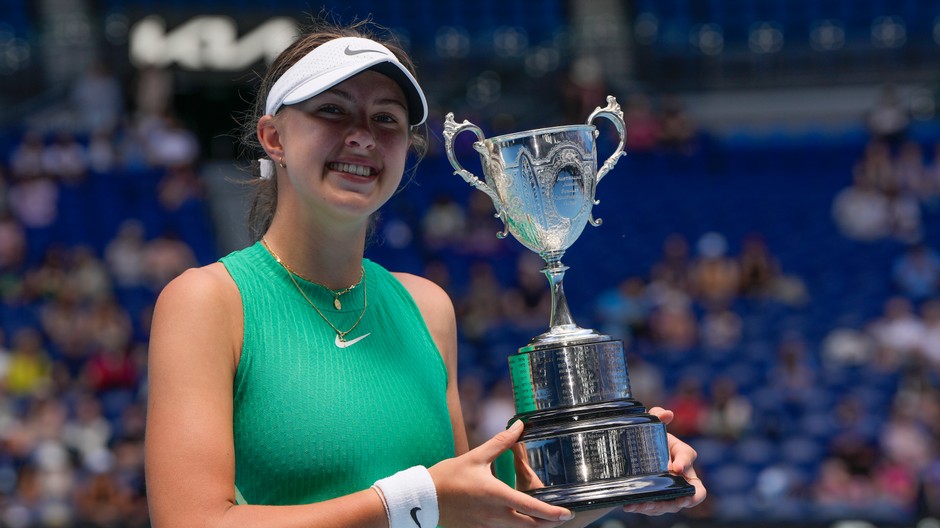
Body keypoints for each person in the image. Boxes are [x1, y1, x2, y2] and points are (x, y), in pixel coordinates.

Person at [145, 19, 705, 528]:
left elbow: (463, 519)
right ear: (273, 138)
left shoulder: (427, 305)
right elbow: (191, 522)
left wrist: (609, 470)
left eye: (385, 118)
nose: (362, 134)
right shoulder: (206, 301)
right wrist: (409, 497)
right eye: (332, 110)